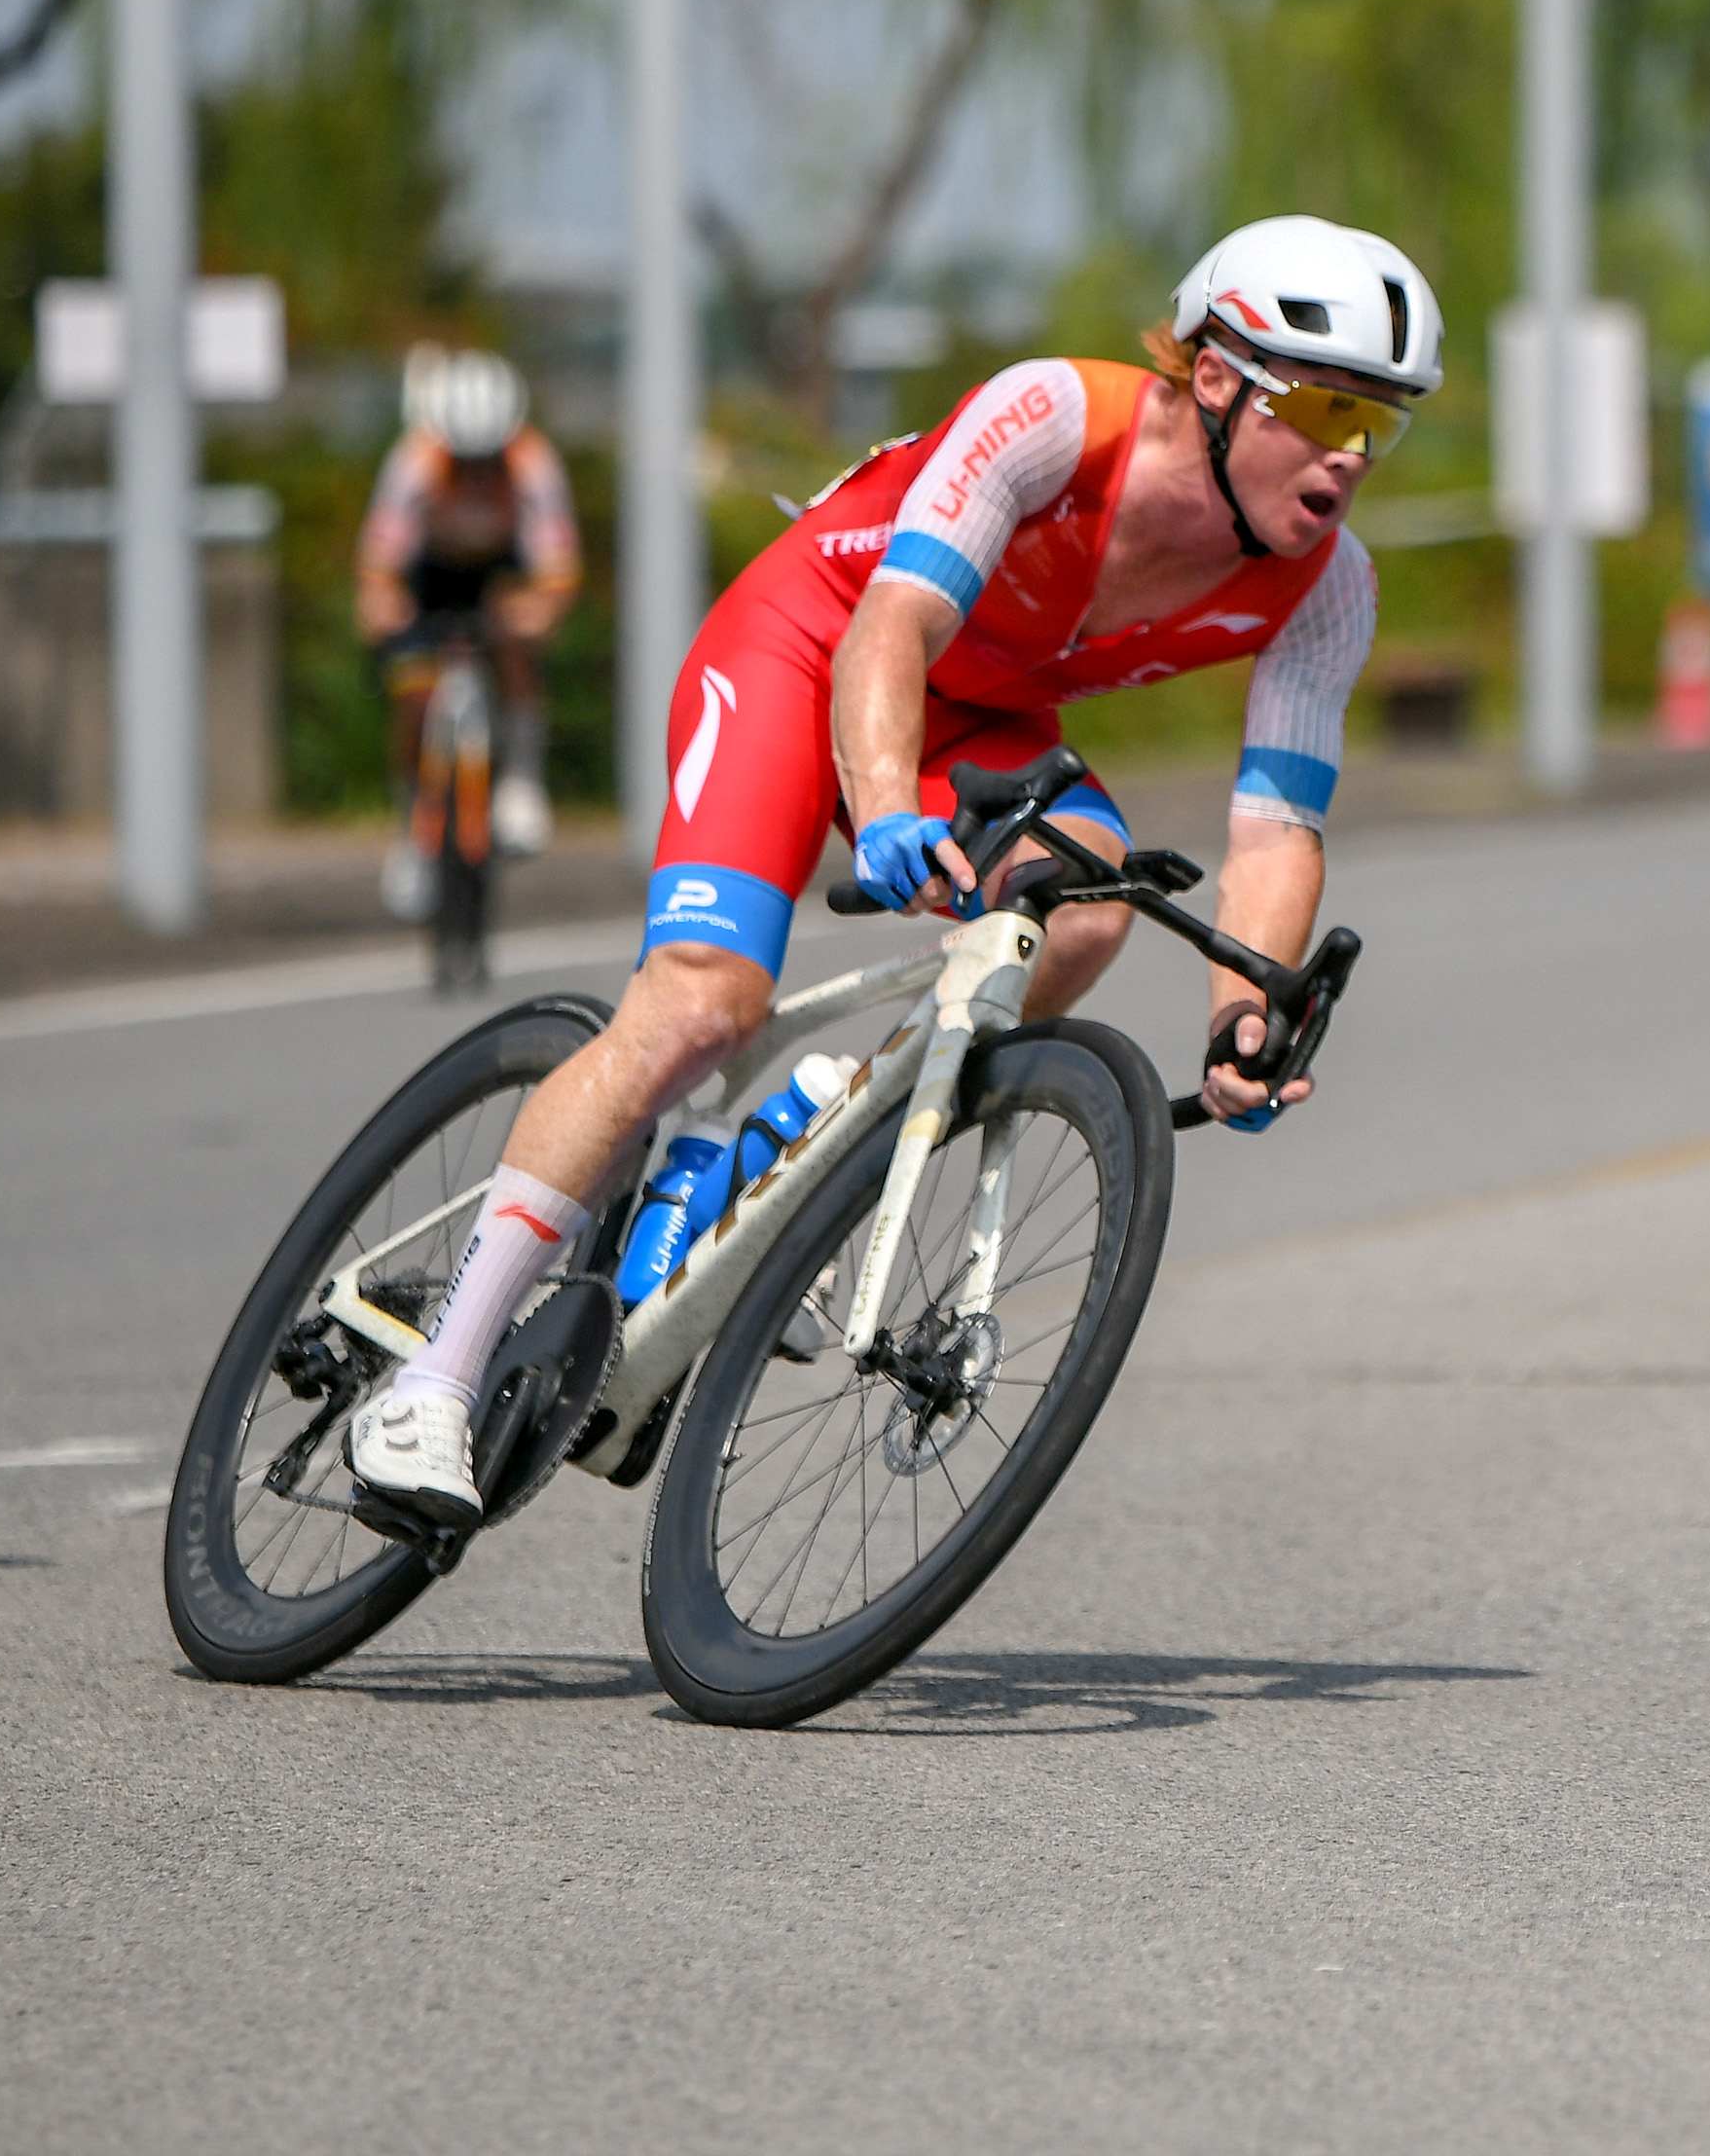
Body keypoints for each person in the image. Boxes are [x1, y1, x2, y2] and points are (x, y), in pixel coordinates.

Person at [344, 218, 1437, 1530]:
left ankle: (809, 1133)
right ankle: (434, 1380)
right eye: (1322, 409)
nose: (1346, 455)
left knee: (1088, 910)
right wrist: (879, 813)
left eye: (1379, 425)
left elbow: (1274, 831)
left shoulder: (1328, 588)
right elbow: (893, 625)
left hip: (980, 719)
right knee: (701, 1006)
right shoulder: (1053, 418)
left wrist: (1243, 1018)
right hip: (811, 646)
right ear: (1214, 376)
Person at [355, 348, 584, 913]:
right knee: (413, 693)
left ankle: (522, 781)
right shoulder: (414, 461)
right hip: (431, 575)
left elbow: (557, 562)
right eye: (465, 460)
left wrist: (543, 607)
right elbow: (381, 555)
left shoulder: (533, 463)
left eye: (489, 459)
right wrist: (381, 599)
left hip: (500, 571)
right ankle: (414, 830)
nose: (479, 472)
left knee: (515, 636)